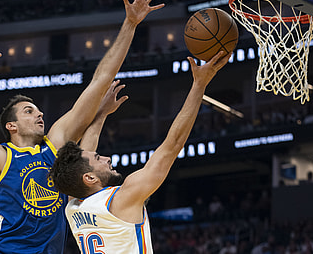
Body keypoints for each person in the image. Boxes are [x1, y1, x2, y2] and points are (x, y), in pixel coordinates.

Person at [0, 0, 164, 254]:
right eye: (29, 111)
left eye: (39, 110)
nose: (39, 113)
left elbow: (100, 81)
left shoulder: (56, 144)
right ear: (11, 125)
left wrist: (130, 24)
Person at [49, 51, 231, 253]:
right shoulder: (122, 198)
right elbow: (172, 146)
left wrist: (102, 114)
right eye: (99, 158)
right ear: (90, 178)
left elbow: (85, 156)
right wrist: (199, 85)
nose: (107, 158)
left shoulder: (73, 207)